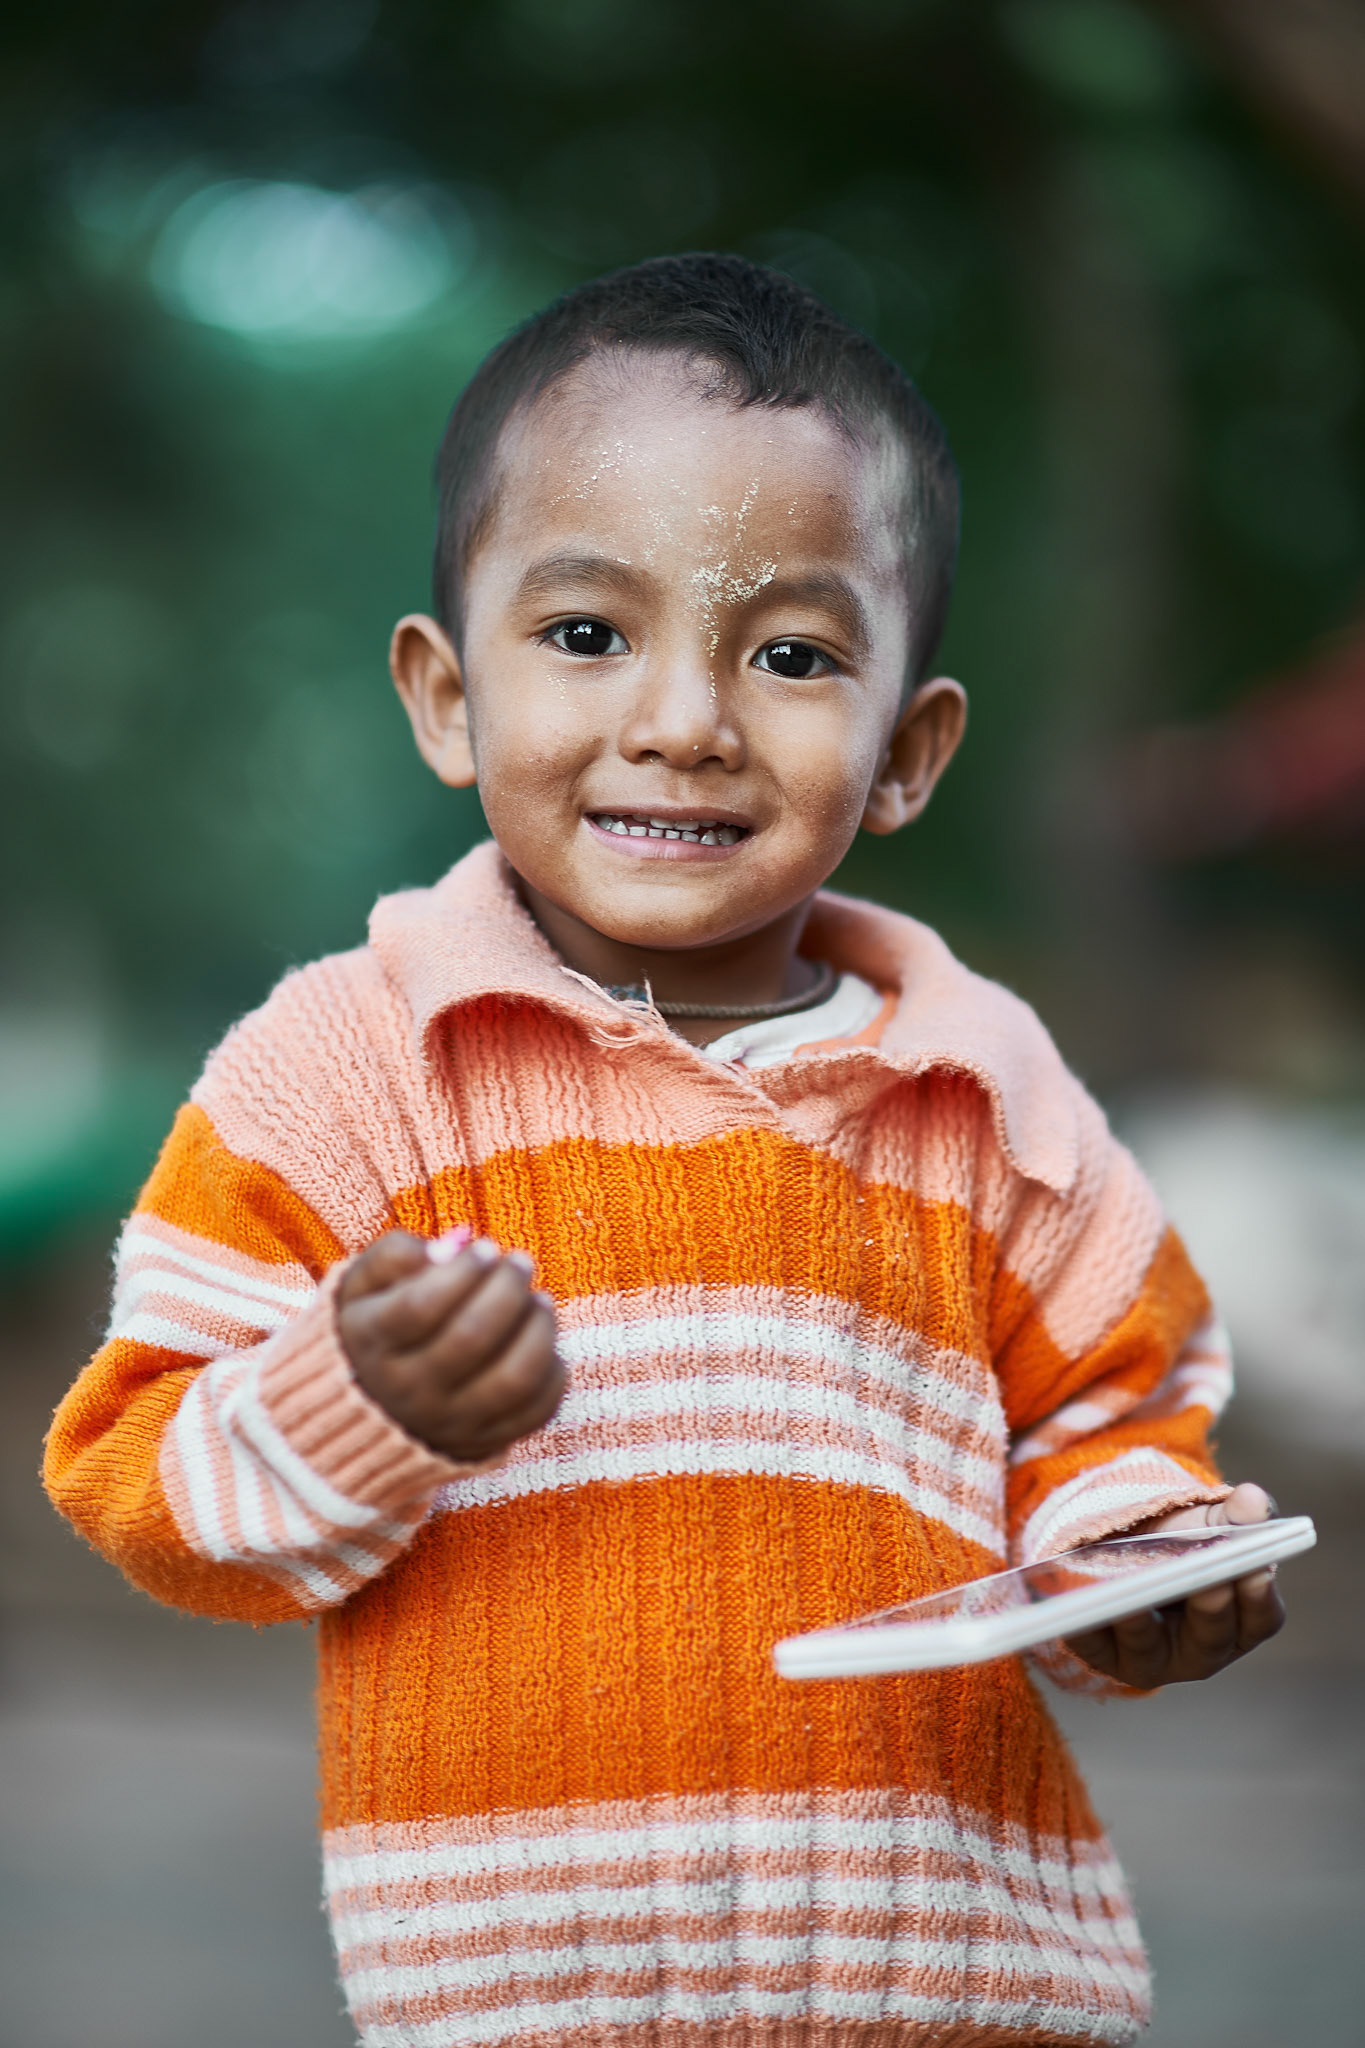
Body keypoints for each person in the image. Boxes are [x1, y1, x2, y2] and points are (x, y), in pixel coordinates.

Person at [44, 254, 1284, 2048]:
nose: (684, 720)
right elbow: (144, 1487)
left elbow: (1111, 1424)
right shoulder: (345, 1076)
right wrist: (353, 1401)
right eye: (583, 634)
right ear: (448, 696)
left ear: (907, 749)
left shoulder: (986, 1095)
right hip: (519, 2005)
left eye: (788, 654)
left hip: (963, 1992)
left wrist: (1151, 1565)